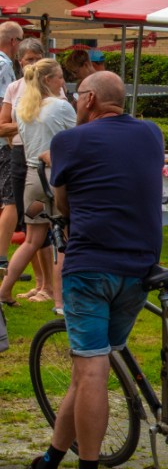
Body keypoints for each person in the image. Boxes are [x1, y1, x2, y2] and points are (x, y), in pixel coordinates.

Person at [19, 71, 164, 469]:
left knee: (92, 369)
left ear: (88, 101)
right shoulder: (151, 134)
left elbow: (62, 205)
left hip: (90, 266)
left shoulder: (70, 142)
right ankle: (49, 463)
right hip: (140, 267)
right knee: (90, 367)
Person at [0, 59, 76, 308]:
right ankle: (60, 301)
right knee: (64, 239)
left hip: (32, 177)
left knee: (32, 240)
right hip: (57, 177)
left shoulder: (23, 107)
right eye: (59, 77)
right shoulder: (62, 107)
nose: (63, 82)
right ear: (48, 80)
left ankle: (3, 291)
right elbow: (78, 138)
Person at [0, 39, 54, 304]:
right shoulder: (14, 88)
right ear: (19, 62)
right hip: (22, 156)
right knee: (30, 223)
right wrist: (25, 128)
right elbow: (2, 126)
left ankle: (46, 286)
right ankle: (41, 283)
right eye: (27, 59)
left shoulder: (51, 88)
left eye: (36, 58)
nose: (32, 64)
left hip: (43, 158)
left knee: (40, 224)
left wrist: (20, 127)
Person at [0, 22, 24, 270]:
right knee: (10, 201)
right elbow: (3, 106)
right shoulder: (5, 65)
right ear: (14, 42)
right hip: (3, 142)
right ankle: (1, 258)